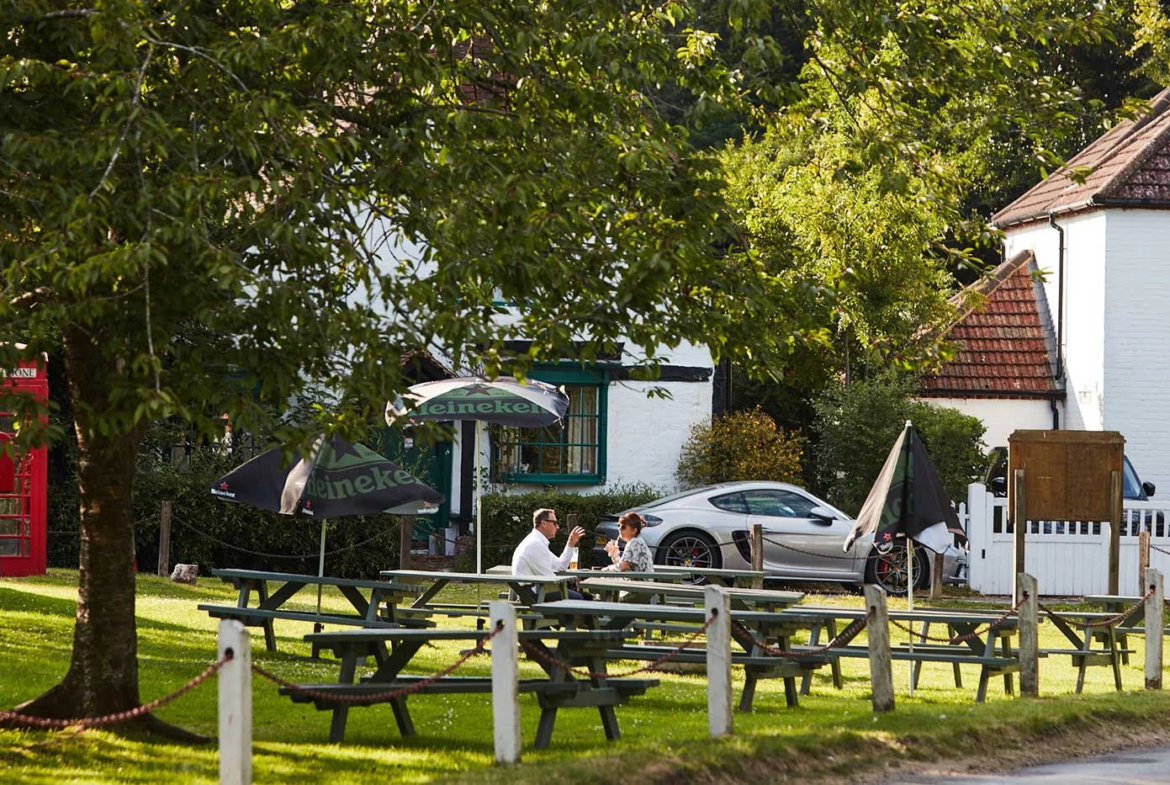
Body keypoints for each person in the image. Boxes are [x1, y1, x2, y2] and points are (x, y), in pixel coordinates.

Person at [511, 507, 588, 600]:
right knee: (579, 598)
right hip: (533, 595)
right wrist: (568, 584)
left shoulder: (536, 541)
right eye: (555, 523)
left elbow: (560, 566)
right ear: (544, 523)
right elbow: (549, 580)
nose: (557, 527)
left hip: (535, 591)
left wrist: (571, 543)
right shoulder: (535, 544)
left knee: (585, 597)